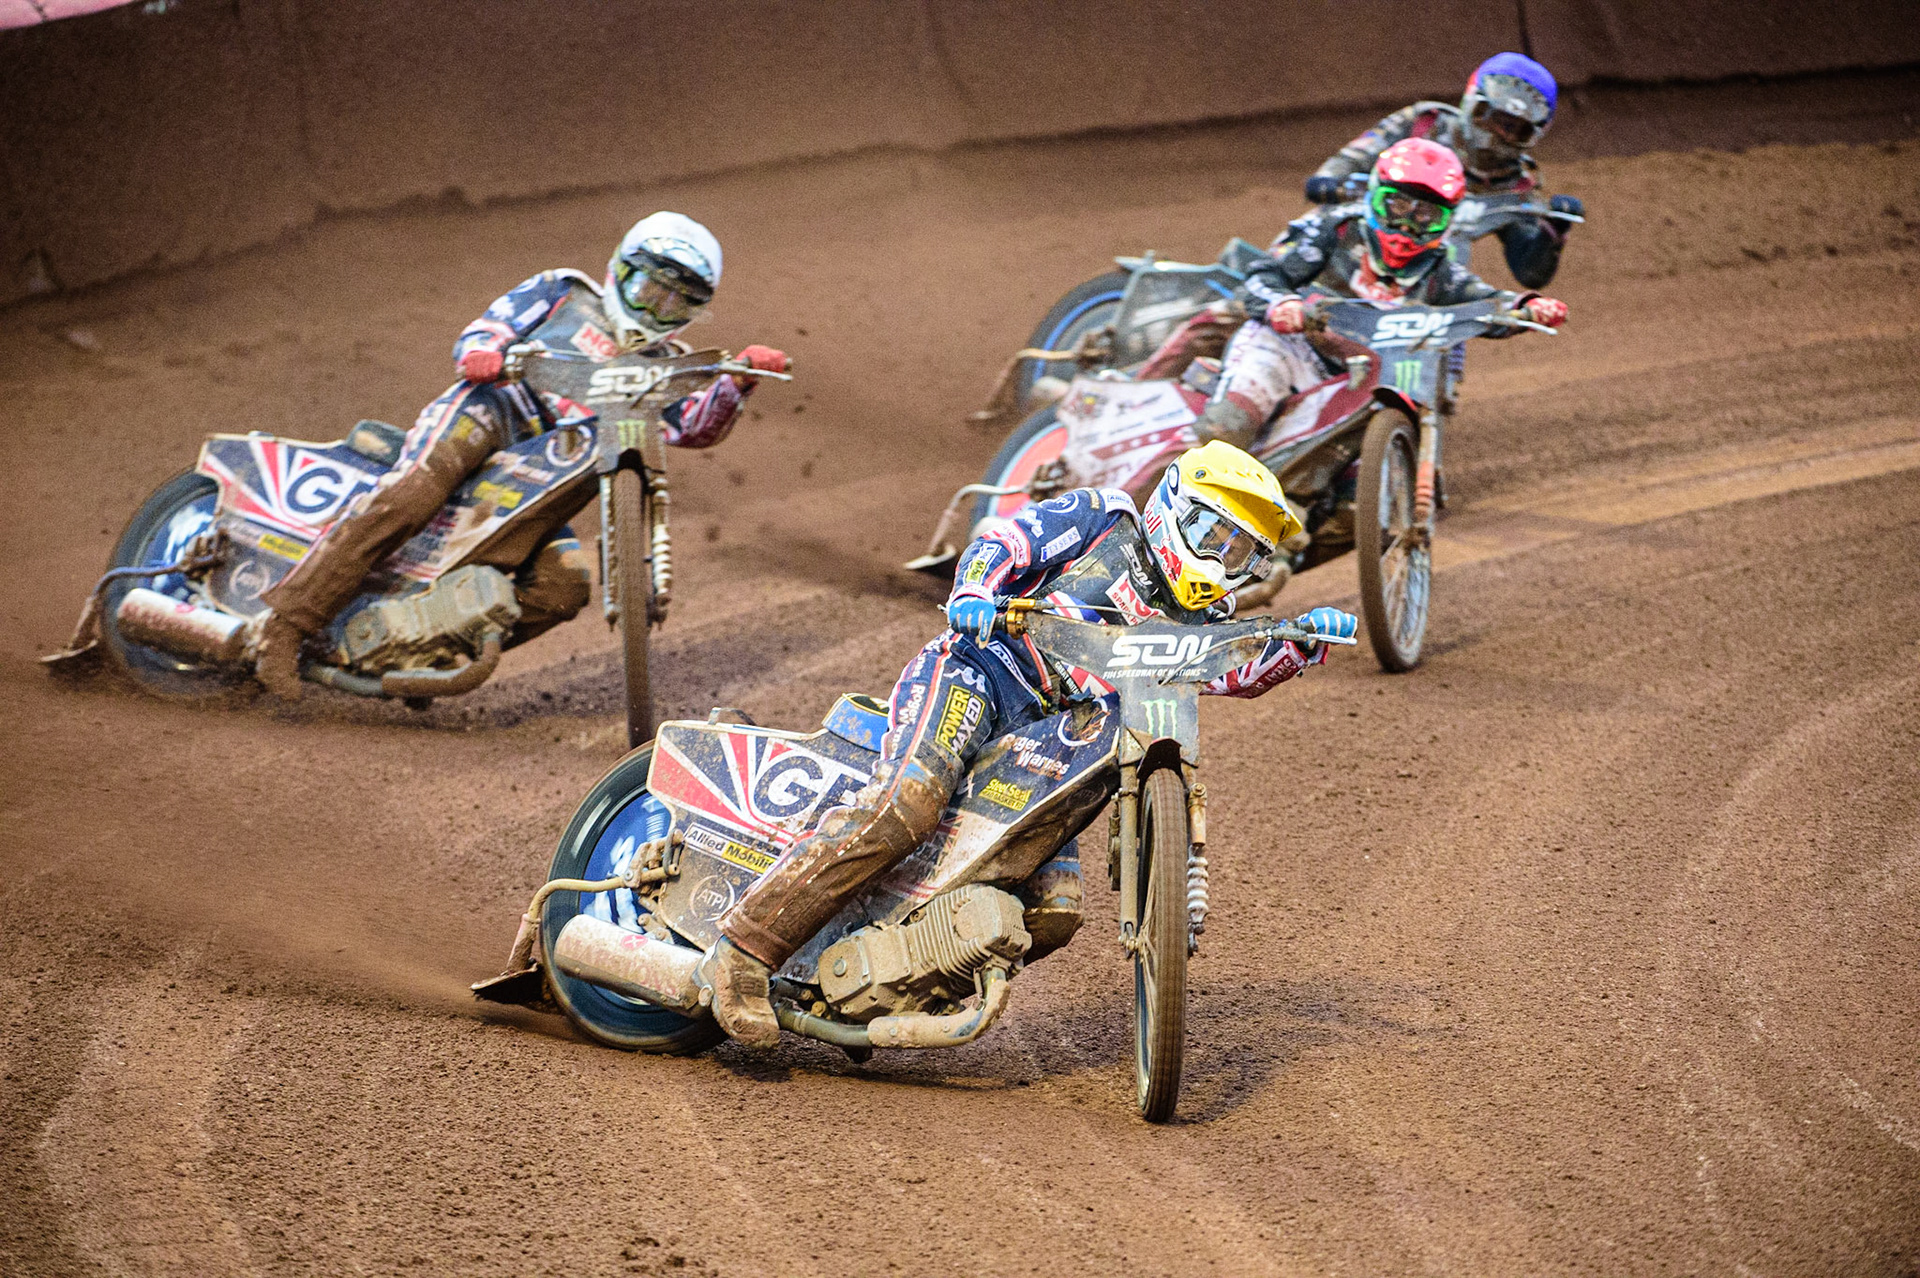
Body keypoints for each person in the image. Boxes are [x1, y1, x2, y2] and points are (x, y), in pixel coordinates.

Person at [696, 441, 1359, 1046]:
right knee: (909, 803)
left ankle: (884, 984)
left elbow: (1234, 673)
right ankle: (742, 955)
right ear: (1173, 508)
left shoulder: (1202, 619)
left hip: (1055, 737)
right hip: (980, 673)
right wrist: (976, 590)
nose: (1218, 559)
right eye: (1212, 534)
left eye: (1238, 552)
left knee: (1052, 912)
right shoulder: (1106, 519)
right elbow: (1006, 541)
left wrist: (1300, 645)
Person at [252, 212, 789, 699]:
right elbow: (487, 329)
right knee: (414, 494)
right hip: (494, 413)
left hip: (545, 478)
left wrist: (736, 382)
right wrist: (484, 353)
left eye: (675, 303)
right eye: (648, 290)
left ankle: (425, 650)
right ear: (619, 270)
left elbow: (692, 426)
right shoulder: (564, 291)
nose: (655, 310)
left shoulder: (671, 365)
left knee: (563, 587)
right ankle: (286, 627)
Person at [1191, 137, 1568, 451]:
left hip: (1362, 378)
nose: (1406, 226)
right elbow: (1264, 275)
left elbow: (1484, 300)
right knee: (1228, 426)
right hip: (1296, 351)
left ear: (1446, 223)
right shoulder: (1336, 230)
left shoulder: (1439, 270)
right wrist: (1283, 304)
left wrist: (1527, 306)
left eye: (1425, 216)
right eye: (1397, 206)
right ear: (1374, 196)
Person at [1304, 52, 1582, 290]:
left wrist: (1552, 233)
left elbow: (1529, 274)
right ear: (1471, 101)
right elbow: (1343, 165)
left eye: (1514, 129)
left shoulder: (1516, 185)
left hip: (1421, 292)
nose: (1497, 134)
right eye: (1491, 116)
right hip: (1350, 255)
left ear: (1534, 135)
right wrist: (1334, 185)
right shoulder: (1426, 123)